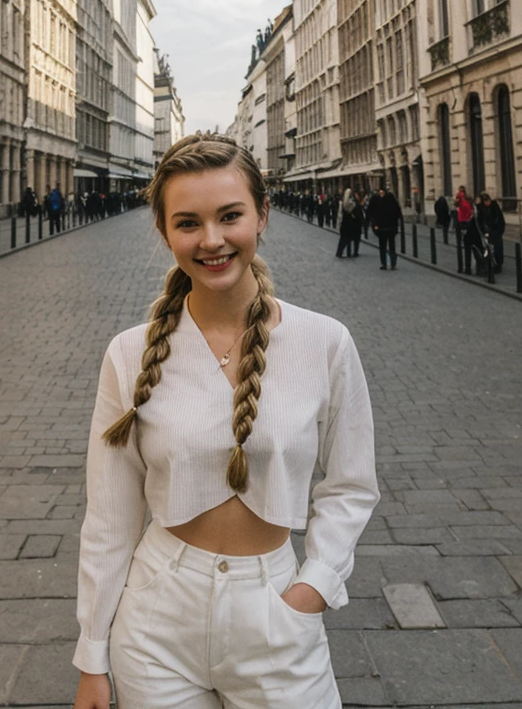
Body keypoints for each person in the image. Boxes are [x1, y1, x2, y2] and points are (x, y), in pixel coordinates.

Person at [72, 132, 379, 709]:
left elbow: (351, 485)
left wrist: (315, 584)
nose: (211, 240)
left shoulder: (325, 343)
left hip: (275, 611)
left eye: (230, 216)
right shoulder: (128, 353)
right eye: (188, 223)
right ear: (164, 232)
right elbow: (110, 516)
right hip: (155, 622)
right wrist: (92, 655)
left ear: (262, 215)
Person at [368, 183, 402, 270]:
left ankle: (392, 263)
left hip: (389, 227)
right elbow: (370, 213)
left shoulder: (389, 198)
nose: (381, 194)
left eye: (382, 192)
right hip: (383, 228)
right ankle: (385, 263)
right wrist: (374, 225)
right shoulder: (376, 199)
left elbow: (397, 212)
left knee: (390, 246)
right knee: (383, 246)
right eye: (380, 192)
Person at [477, 192, 506, 272]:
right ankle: (491, 263)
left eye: (487, 201)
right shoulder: (482, 208)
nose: (487, 203)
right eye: (485, 201)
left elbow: (499, 220)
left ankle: (498, 264)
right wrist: (482, 230)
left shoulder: (494, 206)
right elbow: (480, 219)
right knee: (489, 247)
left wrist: (497, 230)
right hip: (489, 231)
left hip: (496, 230)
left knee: (498, 247)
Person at [335, 187, 357, 258]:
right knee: (347, 238)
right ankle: (346, 252)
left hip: (345, 223)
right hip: (348, 223)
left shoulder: (342, 203)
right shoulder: (350, 203)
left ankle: (342, 252)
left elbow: (339, 214)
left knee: (345, 239)